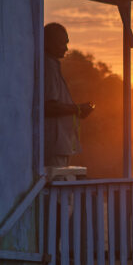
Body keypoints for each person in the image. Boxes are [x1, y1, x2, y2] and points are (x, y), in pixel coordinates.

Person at [43, 22, 94, 167]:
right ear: (48, 42)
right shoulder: (48, 65)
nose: (66, 48)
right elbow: (48, 107)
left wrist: (78, 110)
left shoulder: (52, 64)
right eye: (62, 43)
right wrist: (77, 109)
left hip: (60, 146)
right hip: (54, 146)